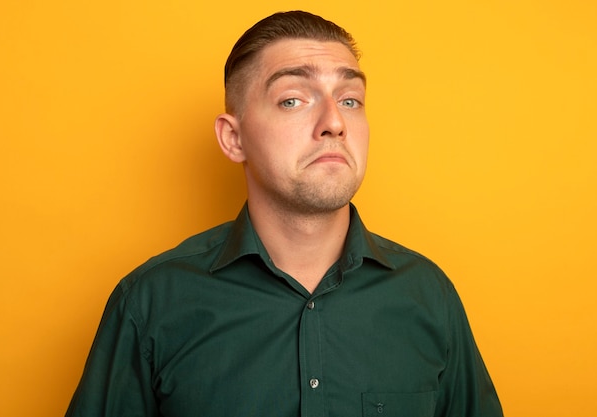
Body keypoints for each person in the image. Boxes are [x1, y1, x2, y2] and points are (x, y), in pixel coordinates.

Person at [66, 10, 503, 417]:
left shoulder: (428, 296)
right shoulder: (150, 303)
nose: (335, 122)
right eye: (293, 100)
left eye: (350, 99)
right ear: (233, 139)